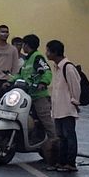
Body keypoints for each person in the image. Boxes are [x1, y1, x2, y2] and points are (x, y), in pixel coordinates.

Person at [12, 34, 56, 163]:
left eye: (23, 44)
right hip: (27, 96)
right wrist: (9, 82)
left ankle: (56, 147)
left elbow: (47, 71)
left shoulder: (37, 57)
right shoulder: (27, 60)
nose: (22, 47)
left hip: (39, 96)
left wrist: (43, 82)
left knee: (46, 122)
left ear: (27, 45)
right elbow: (19, 75)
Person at [46, 40, 80, 172]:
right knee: (61, 137)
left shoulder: (68, 67)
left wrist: (75, 102)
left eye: (48, 51)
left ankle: (70, 163)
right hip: (58, 109)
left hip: (67, 109)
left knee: (69, 136)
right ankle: (61, 161)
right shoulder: (57, 67)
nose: (47, 53)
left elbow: (75, 87)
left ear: (55, 52)